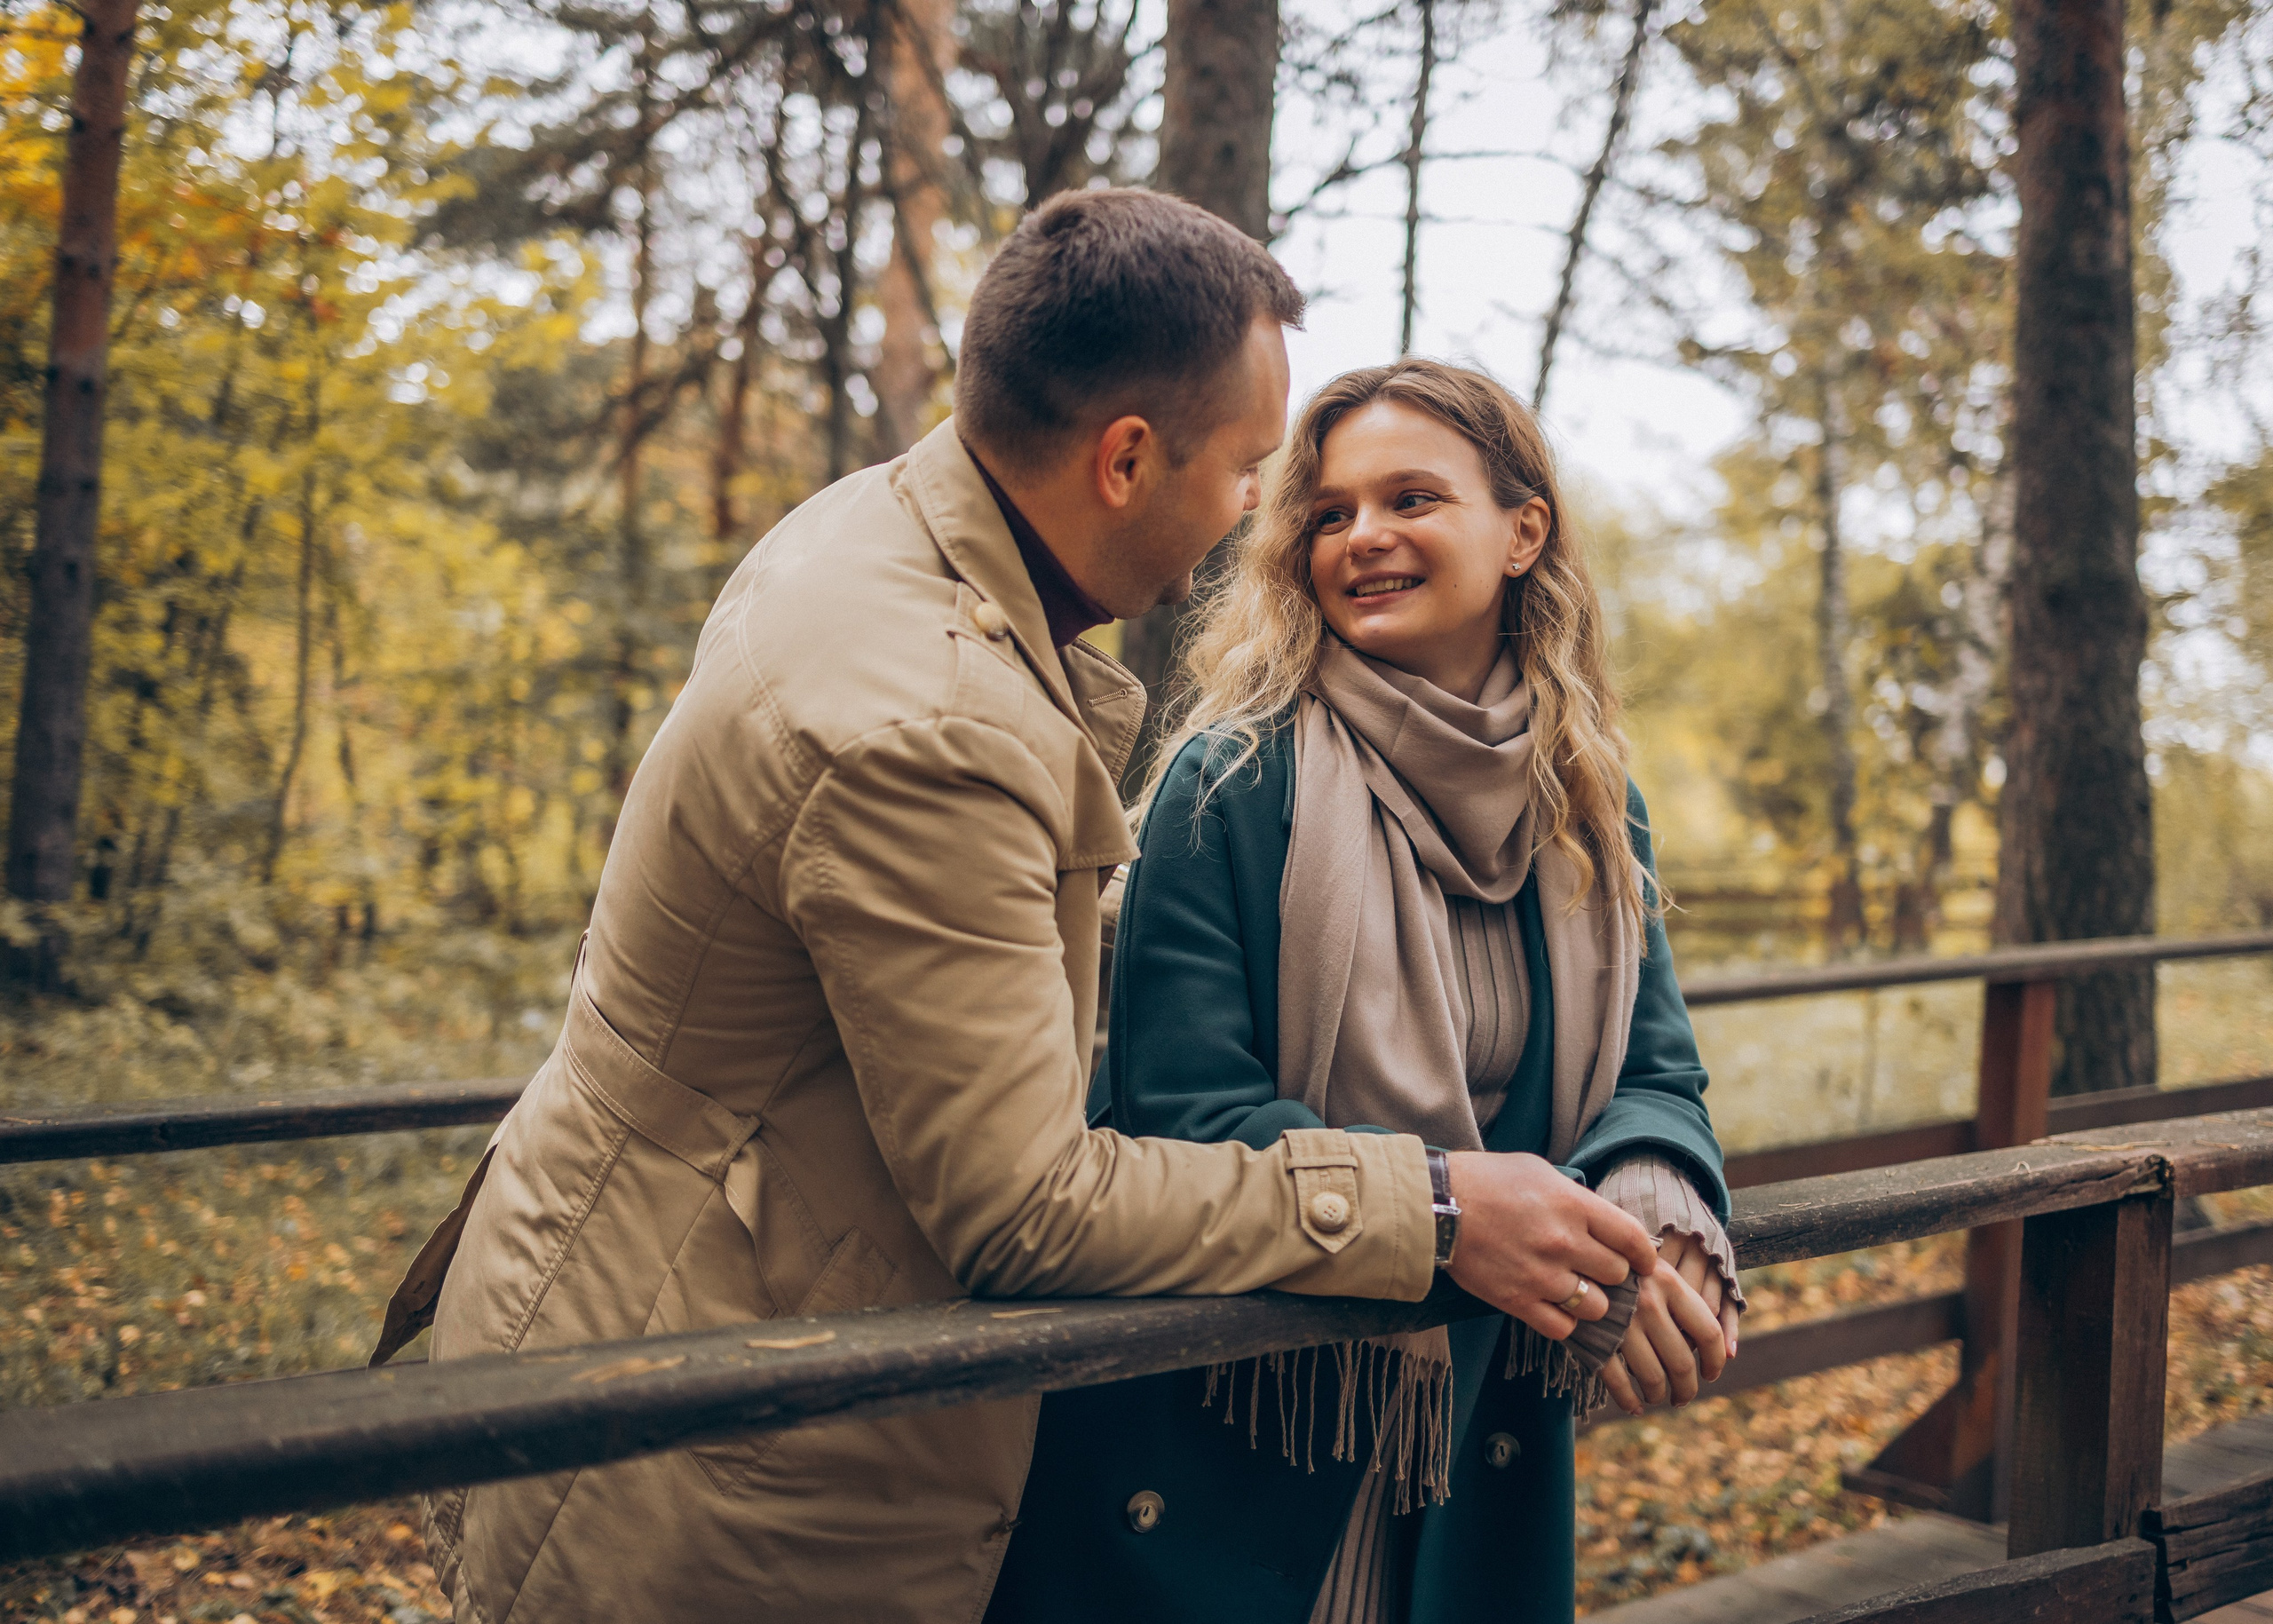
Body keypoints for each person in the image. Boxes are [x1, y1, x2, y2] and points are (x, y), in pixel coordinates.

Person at [373, 192, 1667, 1623]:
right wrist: (1430, 1208)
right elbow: (1030, 1205)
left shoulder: (885, 527)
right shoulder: (931, 718)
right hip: (711, 1407)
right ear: (1125, 458)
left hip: (677, 1308)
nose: (1263, 512)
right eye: (1250, 469)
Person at [986, 360, 1744, 1624]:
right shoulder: (1231, 785)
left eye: (1410, 499)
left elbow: (1656, 1074)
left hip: (1476, 1447)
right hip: (1243, 1439)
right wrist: (1448, 1207)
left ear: (1523, 531)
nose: (1362, 538)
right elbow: (1176, 1117)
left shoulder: (1590, 802)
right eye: (1329, 513)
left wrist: (1649, 1210)